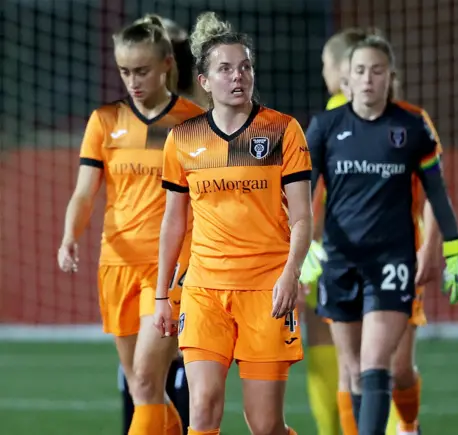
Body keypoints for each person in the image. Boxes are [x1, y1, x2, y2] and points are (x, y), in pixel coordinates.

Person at [154, 11, 312, 435]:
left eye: (245, 67)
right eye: (225, 69)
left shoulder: (282, 131)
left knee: (264, 426)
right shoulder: (182, 139)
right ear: (204, 82)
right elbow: (173, 223)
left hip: (267, 290)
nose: (238, 76)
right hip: (204, 290)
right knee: (202, 409)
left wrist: (290, 274)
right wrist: (161, 296)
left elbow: (302, 218)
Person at [306, 34, 458, 435]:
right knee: (356, 370)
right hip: (339, 261)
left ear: (390, 77)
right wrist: (300, 246)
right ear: (346, 79)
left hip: (394, 259)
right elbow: (300, 192)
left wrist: (450, 248)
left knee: (382, 364)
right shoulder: (326, 126)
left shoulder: (412, 125)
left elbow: (436, 192)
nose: (367, 79)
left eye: (376, 71)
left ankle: (407, 425)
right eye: (359, 71)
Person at [57, 14, 204, 435]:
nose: (133, 81)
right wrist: (70, 236)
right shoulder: (104, 121)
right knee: (145, 391)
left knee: (144, 377)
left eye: (141, 70)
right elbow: (85, 193)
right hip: (116, 265)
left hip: (171, 268)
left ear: (165, 66)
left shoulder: (192, 121)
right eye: (125, 71)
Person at [116, 15, 200, 435]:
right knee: (142, 382)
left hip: (180, 269)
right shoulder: (132, 122)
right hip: (134, 268)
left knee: (154, 379)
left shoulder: (191, 118)